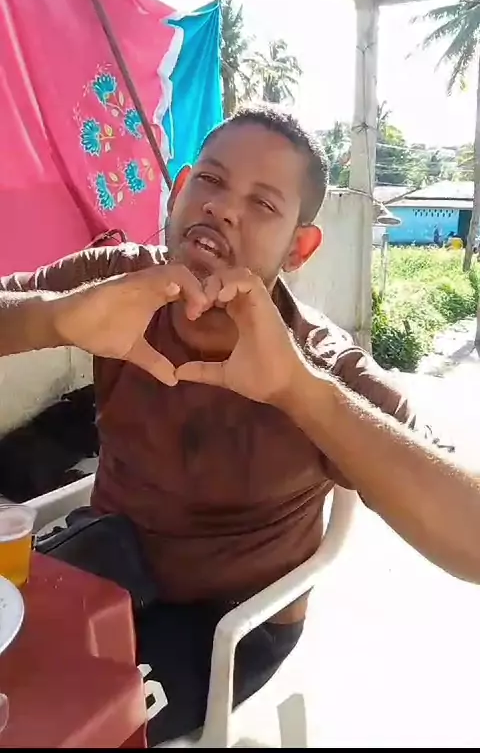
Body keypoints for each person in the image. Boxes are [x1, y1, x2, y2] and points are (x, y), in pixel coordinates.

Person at [1, 106, 480, 744]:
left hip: (230, 622)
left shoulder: (323, 365)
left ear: (300, 247)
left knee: (60, 727)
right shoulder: (118, 282)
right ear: (179, 190)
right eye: (211, 180)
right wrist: (55, 317)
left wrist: (300, 394)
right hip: (106, 556)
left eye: (262, 204)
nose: (223, 209)